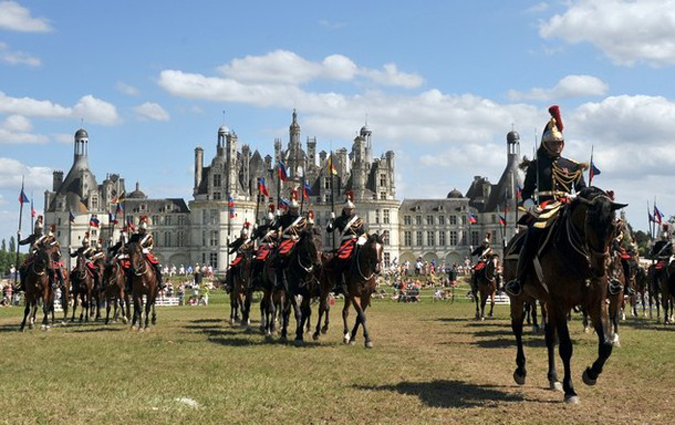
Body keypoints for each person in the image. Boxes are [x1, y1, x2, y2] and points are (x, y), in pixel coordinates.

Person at [505, 105, 587, 297]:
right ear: (545, 144)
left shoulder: (572, 165)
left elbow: (583, 190)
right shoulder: (536, 165)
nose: (556, 146)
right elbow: (526, 193)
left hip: (567, 208)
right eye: (552, 143)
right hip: (544, 208)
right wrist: (530, 207)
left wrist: (574, 197)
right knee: (532, 235)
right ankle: (520, 279)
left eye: (559, 143)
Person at [326, 193, 366, 287]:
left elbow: (362, 232)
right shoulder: (339, 220)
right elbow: (329, 230)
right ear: (344, 209)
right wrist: (331, 220)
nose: (349, 211)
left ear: (353, 209)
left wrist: (360, 239)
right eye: (347, 209)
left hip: (357, 242)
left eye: (351, 209)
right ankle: (339, 281)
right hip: (346, 244)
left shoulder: (358, 220)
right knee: (340, 260)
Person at [129, 216, 165, 290]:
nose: (142, 231)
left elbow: (150, 247)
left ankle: (160, 282)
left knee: (157, 266)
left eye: (143, 230)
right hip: (136, 253)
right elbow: (130, 244)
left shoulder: (148, 237)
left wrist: (143, 250)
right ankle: (128, 285)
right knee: (130, 268)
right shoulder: (134, 236)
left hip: (146, 253)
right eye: (141, 229)